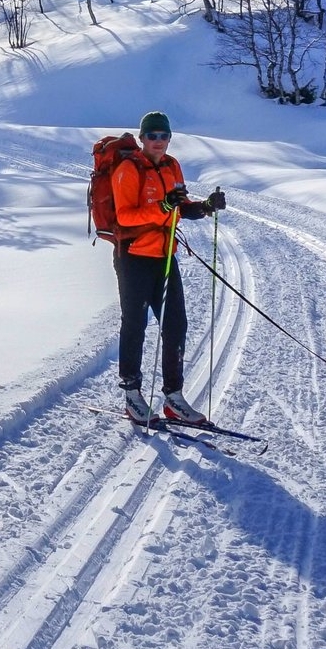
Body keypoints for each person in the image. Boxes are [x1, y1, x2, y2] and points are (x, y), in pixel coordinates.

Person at [112, 110, 223, 425]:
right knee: (134, 324)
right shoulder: (128, 169)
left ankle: (173, 398)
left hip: (164, 256)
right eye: (152, 136)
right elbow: (125, 217)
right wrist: (163, 206)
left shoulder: (173, 165)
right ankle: (132, 395)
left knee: (175, 325)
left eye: (163, 136)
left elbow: (180, 206)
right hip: (133, 256)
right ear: (142, 138)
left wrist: (203, 207)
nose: (158, 141)